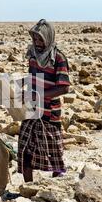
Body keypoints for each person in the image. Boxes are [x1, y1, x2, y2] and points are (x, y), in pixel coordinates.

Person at [17, 19, 71, 182]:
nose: (37, 43)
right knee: (25, 149)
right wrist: (16, 85)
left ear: (48, 38)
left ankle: (57, 184)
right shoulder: (32, 56)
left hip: (50, 113)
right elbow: (32, 78)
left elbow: (64, 88)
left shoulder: (59, 58)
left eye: (40, 39)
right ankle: (27, 188)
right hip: (32, 110)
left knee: (54, 154)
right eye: (35, 39)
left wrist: (39, 95)